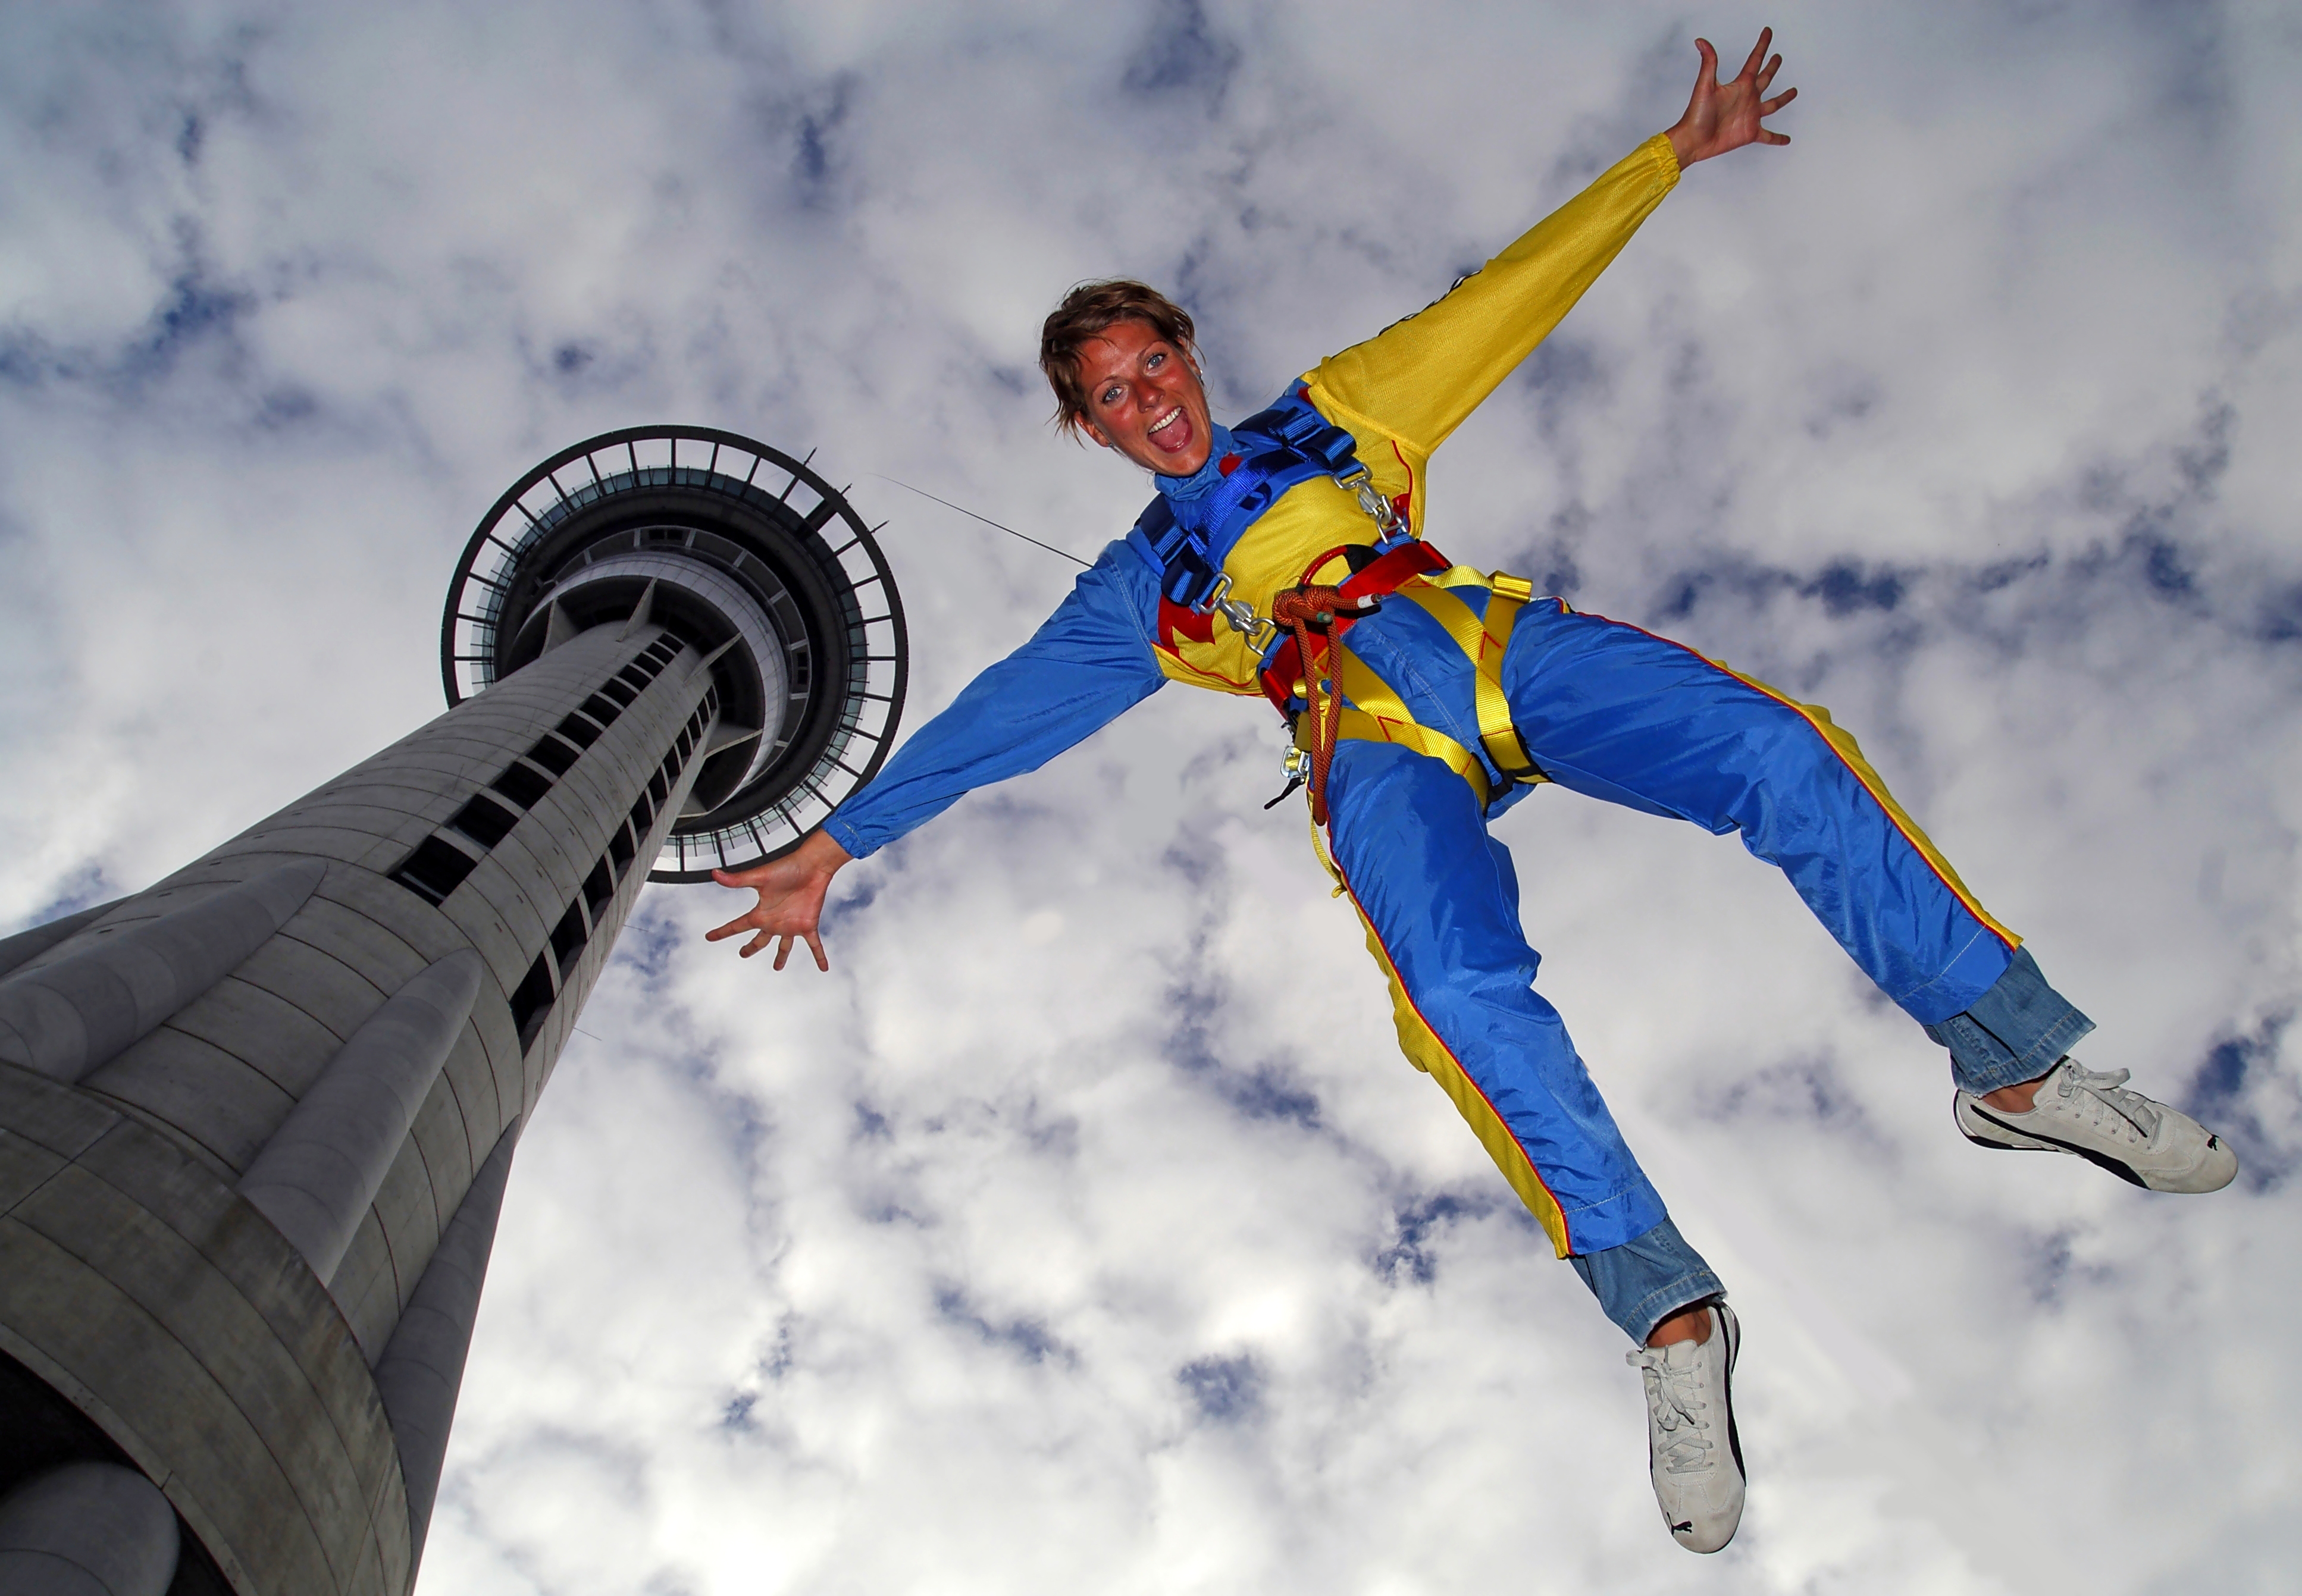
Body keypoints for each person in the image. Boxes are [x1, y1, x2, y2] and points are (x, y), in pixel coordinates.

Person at [709, 30, 2236, 1554]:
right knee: (1446, 989)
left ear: (1186, 351)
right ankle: (1669, 1315)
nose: (1148, 400)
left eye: (1154, 362)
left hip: (1485, 641)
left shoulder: (1333, 415)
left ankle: (2017, 1070)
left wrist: (1665, 161)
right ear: (1092, 427)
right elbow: (1003, 718)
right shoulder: (1138, 595)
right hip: (1365, 739)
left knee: (1783, 749)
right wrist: (838, 840)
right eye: (1111, 396)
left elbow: (1496, 302)